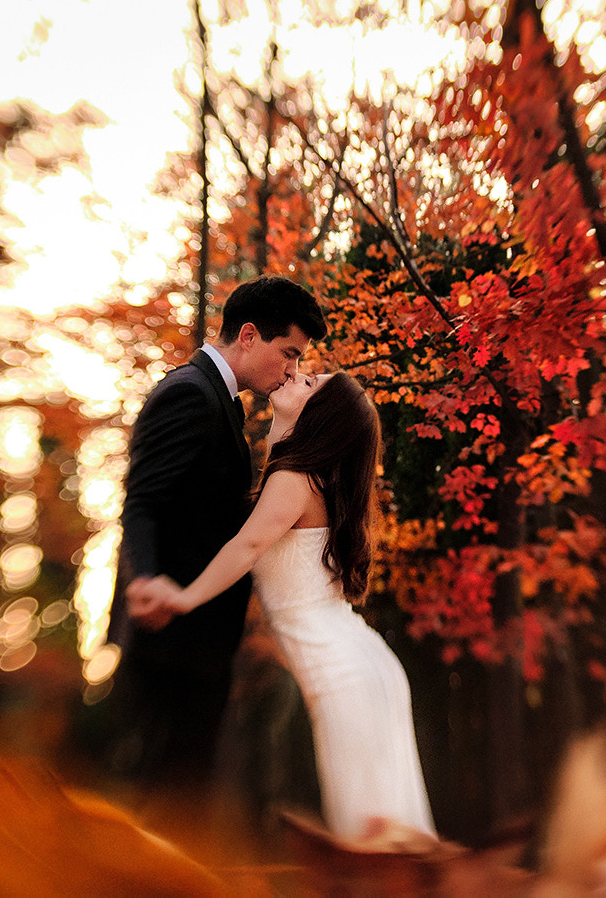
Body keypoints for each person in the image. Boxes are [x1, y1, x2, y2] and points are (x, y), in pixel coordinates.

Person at [127, 370, 435, 841]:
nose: (298, 374)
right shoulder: (303, 474)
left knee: (369, 835)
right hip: (363, 663)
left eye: (311, 384)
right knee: (387, 833)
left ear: (319, 415)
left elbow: (247, 546)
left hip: (344, 674)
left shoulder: (295, 479)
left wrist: (184, 597)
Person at [108, 276, 327, 789]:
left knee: (180, 795)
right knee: (163, 797)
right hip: (172, 639)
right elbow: (142, 499)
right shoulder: (189, 393)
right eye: (289, 352)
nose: (293, 368)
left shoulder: (221, 401)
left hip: (198, 640)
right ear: (248, 335)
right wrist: (147, 579)